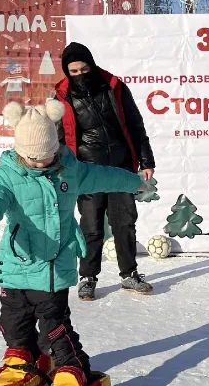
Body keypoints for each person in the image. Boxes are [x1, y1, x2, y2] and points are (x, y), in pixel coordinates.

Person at [0, 100, 145, 386]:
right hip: (17, 265)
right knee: (12, 320)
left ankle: (72, 367)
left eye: (48, 156)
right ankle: (21, 356)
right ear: (20, 151)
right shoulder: (7, 176)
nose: (42, 163)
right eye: (34, 158)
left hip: (54, 269)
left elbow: (106, 176)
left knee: (54, 326)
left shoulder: (70, 171)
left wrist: (135, 182)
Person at [54, 42, 156, 301]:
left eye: (84, 68)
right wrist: (59, 169)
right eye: (73, 71)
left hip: (120, 167)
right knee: (90, 225)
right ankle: (87, 277)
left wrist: (146, 160)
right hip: (86, 171)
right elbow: (57, 138)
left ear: (92, 64)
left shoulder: (115, 87)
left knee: (124, 222)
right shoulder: (61, 98)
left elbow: (135, 123)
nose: (79, 75)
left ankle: (129, 274)